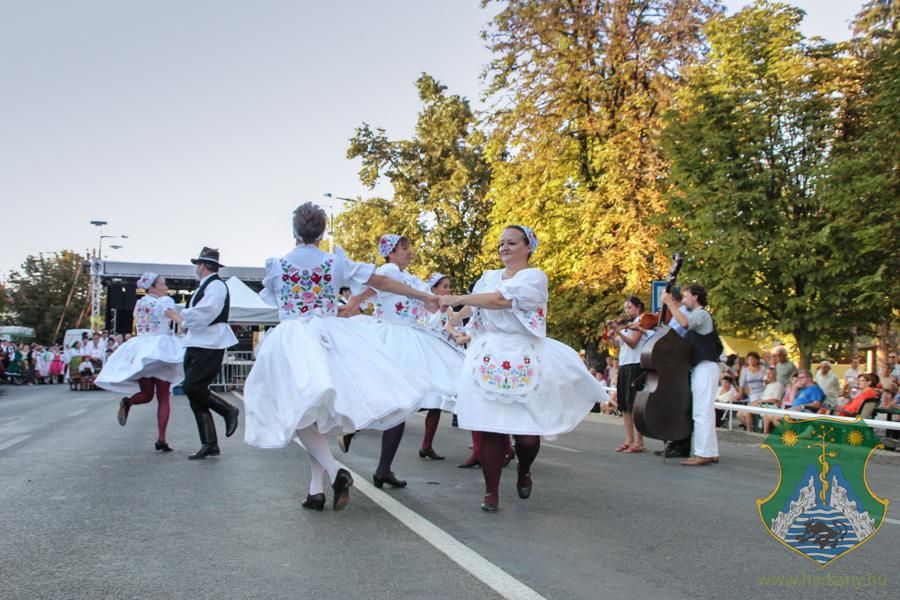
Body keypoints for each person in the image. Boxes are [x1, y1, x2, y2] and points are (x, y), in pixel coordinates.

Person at [242, 203, 436, 512]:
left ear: (294, 231)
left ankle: (334, 473)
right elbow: (382, 282)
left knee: (302, 410)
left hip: (292, 340)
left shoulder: (277, 265)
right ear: (322, 232)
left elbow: (273, 298)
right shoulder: (335, 263)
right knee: (314, 411)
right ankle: (315, 489)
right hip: (328, 337)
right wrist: (424, 294)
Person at [438, 225, 607, 511]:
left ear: (528, 247)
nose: (504, 247)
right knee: (490, 428)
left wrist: (458, 298)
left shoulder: (534, 277)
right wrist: (454, 315)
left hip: (524, 355)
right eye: (502, 243)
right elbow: (477, 306)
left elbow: (500, 300)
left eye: (512, 243)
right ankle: (491, 493)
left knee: (528, 436)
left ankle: (524, 468)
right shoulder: (489, 276)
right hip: (488, 354)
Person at [341, 235, 464, 487]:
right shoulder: (387, 271)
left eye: (409, 247)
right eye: (404, 248)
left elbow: (430, 307)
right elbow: (362, 293)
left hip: (411, 338)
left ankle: (383, 468)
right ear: (390, 253)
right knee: (385, 396)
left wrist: (449, 305)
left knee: (401, 407)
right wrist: (349, 309)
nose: (410, 252)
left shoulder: (412, 279)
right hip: (389, 337)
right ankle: (350, 427)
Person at [165, 247, 240, 460]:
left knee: (192, 386)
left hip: (210, 343)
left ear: (202, 266)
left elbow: (208, 311)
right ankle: (209, 443)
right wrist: (185, 319)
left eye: (197, 265)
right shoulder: (206, 286)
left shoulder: (216, 286)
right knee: (194, 394)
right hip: (198, 342)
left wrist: (181, 316)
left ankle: (228, 410)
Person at [96, 273, 184, 452]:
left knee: (146, 394)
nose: (165, 286)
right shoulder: (164, 301)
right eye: (162, 284)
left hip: (142, 348)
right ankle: (161, 439)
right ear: (153, 287)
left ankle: (128, 402)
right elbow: (171, 314)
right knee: (163, 397)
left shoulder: (140, 303)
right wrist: (184, 323)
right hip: (159, 349)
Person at [662, 284, 722, 466]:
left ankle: (702, 454)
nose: (684, 301)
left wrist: (670, 304)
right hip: (703, 367)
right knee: (706, 412)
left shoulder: (701, 314)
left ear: (696, 297)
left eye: (687, 296)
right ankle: (710, 451)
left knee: (701, 412)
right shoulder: (700, 316)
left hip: (704, 367)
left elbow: (685, 323)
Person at [606, 296, 650, 454]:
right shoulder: (625, 325)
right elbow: (619, 344)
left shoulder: (640, 322)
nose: (627, 311)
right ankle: (629, 439)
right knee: (625, 404)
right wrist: (612, 335)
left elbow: (633, 343)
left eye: (630, 307)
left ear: (638, 307)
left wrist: (618, 330)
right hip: (625, 364)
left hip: (636, 364)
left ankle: (639, 442)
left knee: (634, 403)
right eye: (626, 308)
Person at [737, 367, 784, 432]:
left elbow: (775, 399)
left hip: (769, 405)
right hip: (762, 404)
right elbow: (763, 398)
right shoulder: (768, 385)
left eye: (770, 374)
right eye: (767, 374)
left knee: (746, 413)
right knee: (739, 414)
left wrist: (760, 401)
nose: (768, 375)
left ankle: (750, 430)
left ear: (775, 374)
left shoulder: (779, 385)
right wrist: (756, 402)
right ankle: (752, 429)